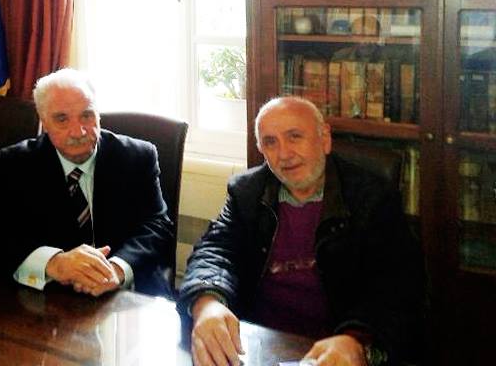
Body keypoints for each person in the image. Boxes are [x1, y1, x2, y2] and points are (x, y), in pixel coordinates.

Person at [177, 96, 425, 366]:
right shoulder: (247, 191)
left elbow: (399, 287)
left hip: (333, 352)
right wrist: (207, 303)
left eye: (294, 136)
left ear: (324, 139)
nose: (284, 154)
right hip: (257, 345)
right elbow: (214, 251)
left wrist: (357, 339)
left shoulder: (372, 197)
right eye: (270, 142)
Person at [0, 68, 174, 298]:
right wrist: (54, 262)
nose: (78, 132)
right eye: (62, 119)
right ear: (44, 122)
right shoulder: (14, 164)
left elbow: (158, 225)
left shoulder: (137, 157)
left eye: (86, 115)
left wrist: (117, 269)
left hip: (128, 293)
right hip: (52, 297)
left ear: (98, 115)